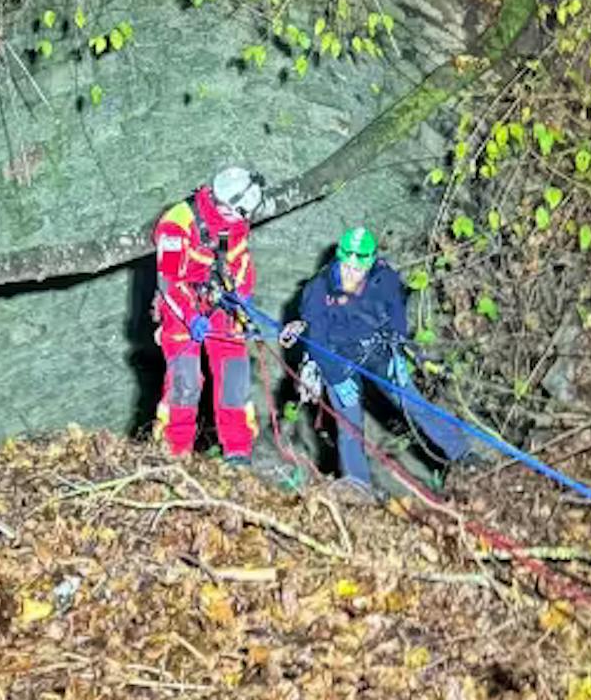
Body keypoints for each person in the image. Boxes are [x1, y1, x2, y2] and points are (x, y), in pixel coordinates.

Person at [280, 226, 470, 500]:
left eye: (358, 270)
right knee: (349, 426)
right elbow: (317, 340)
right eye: (346, 266)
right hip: (338, 359)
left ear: (369, 265)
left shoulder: (385, 278)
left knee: (414, 403)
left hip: (378, 353)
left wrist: (397, 349)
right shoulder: (318, 289)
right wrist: (334, 378)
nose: (350, 274)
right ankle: (359, 486)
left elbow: (396, 315)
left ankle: (462, 453)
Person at [152, 166, 267, 461]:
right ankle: (175, 452)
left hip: (221, 300)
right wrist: (190, 317)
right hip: (182, 304)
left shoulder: (236, 221)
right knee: (185, 381)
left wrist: (241, 299)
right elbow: (169, 281)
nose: (242, 220)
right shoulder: (177, 222)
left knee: (234, 374)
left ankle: (238, 451)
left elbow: (240, 261)